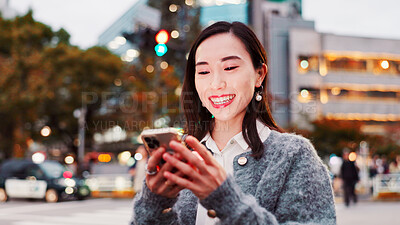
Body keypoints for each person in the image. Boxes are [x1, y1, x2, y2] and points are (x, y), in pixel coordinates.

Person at [131, 21, 336, 224]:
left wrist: (228, 202)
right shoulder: (180, 155)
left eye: (230, 67)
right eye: (203, 72)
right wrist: (154, 205)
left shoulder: (294, 155)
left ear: (259, 74)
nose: (216, 84)